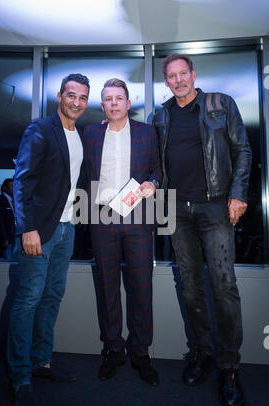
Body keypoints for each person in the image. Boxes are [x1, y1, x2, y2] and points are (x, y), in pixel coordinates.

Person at [153, 54, 252, 406]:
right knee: (191, 287)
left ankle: (229, 366)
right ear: (165, 81)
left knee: (224, 286)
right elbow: (155, 162)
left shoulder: (220, 104)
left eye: (183, 74)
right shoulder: (161, 115)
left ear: (193, 75)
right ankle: (203, 352)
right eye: (171, 76)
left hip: (216, 206)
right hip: (177, 210)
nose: (178, 80)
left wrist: (238, 193)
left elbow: (242, 150)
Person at [7, 73, 90, 406]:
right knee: (27, 300)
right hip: (40, 232)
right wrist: (27, 229)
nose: (76, 102)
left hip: (67, 229)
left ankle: (41, 362)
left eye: (83, 97)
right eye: (71, 95)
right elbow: (22, 180)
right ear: (60, 96)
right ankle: (20, 379)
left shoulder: (79, 135)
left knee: (52, 297)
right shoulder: (40, 129)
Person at [83, 78, 162, 386]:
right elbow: (80, 173)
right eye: (108, 99)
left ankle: (140, 352)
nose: (114, 103)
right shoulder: (90, 134)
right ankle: (114, 349)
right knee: (107, 288)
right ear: (102, 106)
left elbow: (158, 167)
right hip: (102, 218)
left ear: (128, 104)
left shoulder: (147, 132)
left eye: (119, 98)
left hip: (138, 217)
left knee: (142, 288)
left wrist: (153, 183)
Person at [0, 178, 15, 259]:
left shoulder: (14, 200)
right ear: (5, 188)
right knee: (7, 261)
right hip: (5, 238)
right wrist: (4, 238)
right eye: (12, 186)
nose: (14, 188)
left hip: (14, 237)